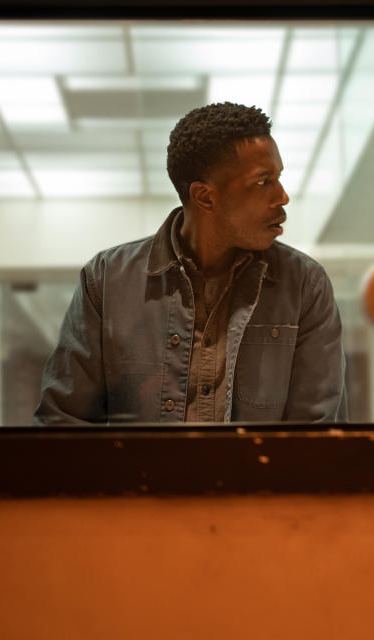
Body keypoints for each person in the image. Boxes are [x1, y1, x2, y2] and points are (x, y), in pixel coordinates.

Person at [35, 103, 347, 425]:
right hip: (136, 477)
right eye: (262, 181)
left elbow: (319, 438)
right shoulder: (105, 280)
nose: (282, 196)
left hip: (260, 477)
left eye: (278, 178)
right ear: (205, 197)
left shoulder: (305, 284)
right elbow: (63, 423)